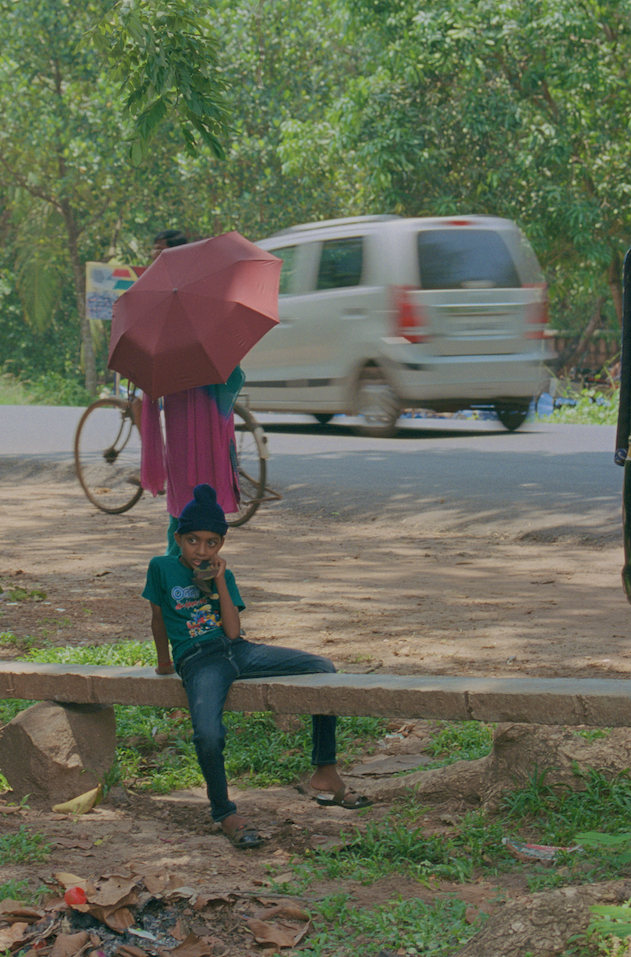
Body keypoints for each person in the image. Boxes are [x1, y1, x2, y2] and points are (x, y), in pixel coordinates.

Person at [143, 483, 371, 849]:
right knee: (208, 734)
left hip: (238, 651)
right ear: (178, 537)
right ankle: (224, 811)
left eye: (212, 542)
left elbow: (233, 633)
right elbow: (157, 618)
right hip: (199, 660)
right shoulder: (161, 568)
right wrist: (164, 662)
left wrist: (217, 580)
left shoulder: (222, 575)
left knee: (323, 668)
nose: (202, 550)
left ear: (221, 545)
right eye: (193, 541)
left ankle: (325, 771)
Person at [136, 227, 247, 555]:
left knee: (185, 493)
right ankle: (192, 559)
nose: (153, 258)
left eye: (158, 251)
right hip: (202, 414)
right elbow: (236, 374)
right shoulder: (209, 299)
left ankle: (180, 561)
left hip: (186, 411)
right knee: (199, 489)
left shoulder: (159, 305)